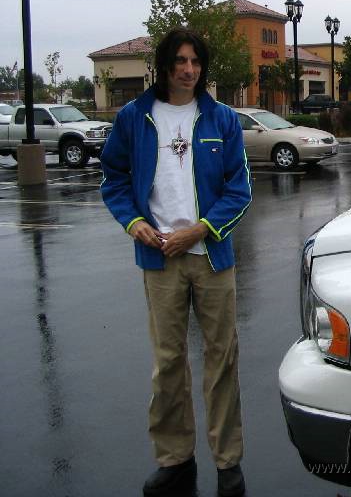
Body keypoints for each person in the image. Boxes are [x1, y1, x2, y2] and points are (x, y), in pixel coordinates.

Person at [100, 28, 251, 497]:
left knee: (221, 359)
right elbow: (114, 180)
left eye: (195, 62)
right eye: (180, 61)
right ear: (165, 66)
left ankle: (227, 461)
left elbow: (238, 190)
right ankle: (174, 458)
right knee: (168, 363)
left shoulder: (222, 119)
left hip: (210, 256)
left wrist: (200, 230)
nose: (188, 70)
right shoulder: (134, 117)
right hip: (159, 259)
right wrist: (134, 224)